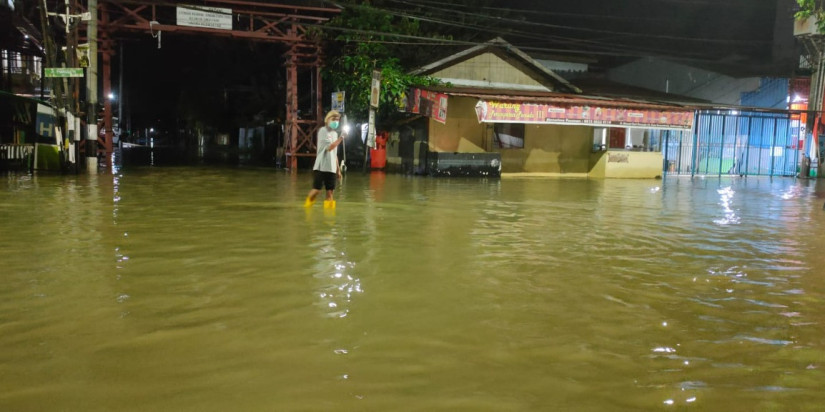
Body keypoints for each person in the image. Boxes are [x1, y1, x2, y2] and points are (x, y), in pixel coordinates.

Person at [304, 110, 345, 209]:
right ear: (328, 119)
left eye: (338, 120)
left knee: (330, 193)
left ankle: (329, 216)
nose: (336, 121)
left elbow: (334, 153)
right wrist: (341, 138)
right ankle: (307, 208)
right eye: (334, 119)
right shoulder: (323, 131)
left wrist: (338, 170)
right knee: (317, 190)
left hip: (331, 168)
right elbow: (329, 148)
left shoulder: (335, 134)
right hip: (321, 166)